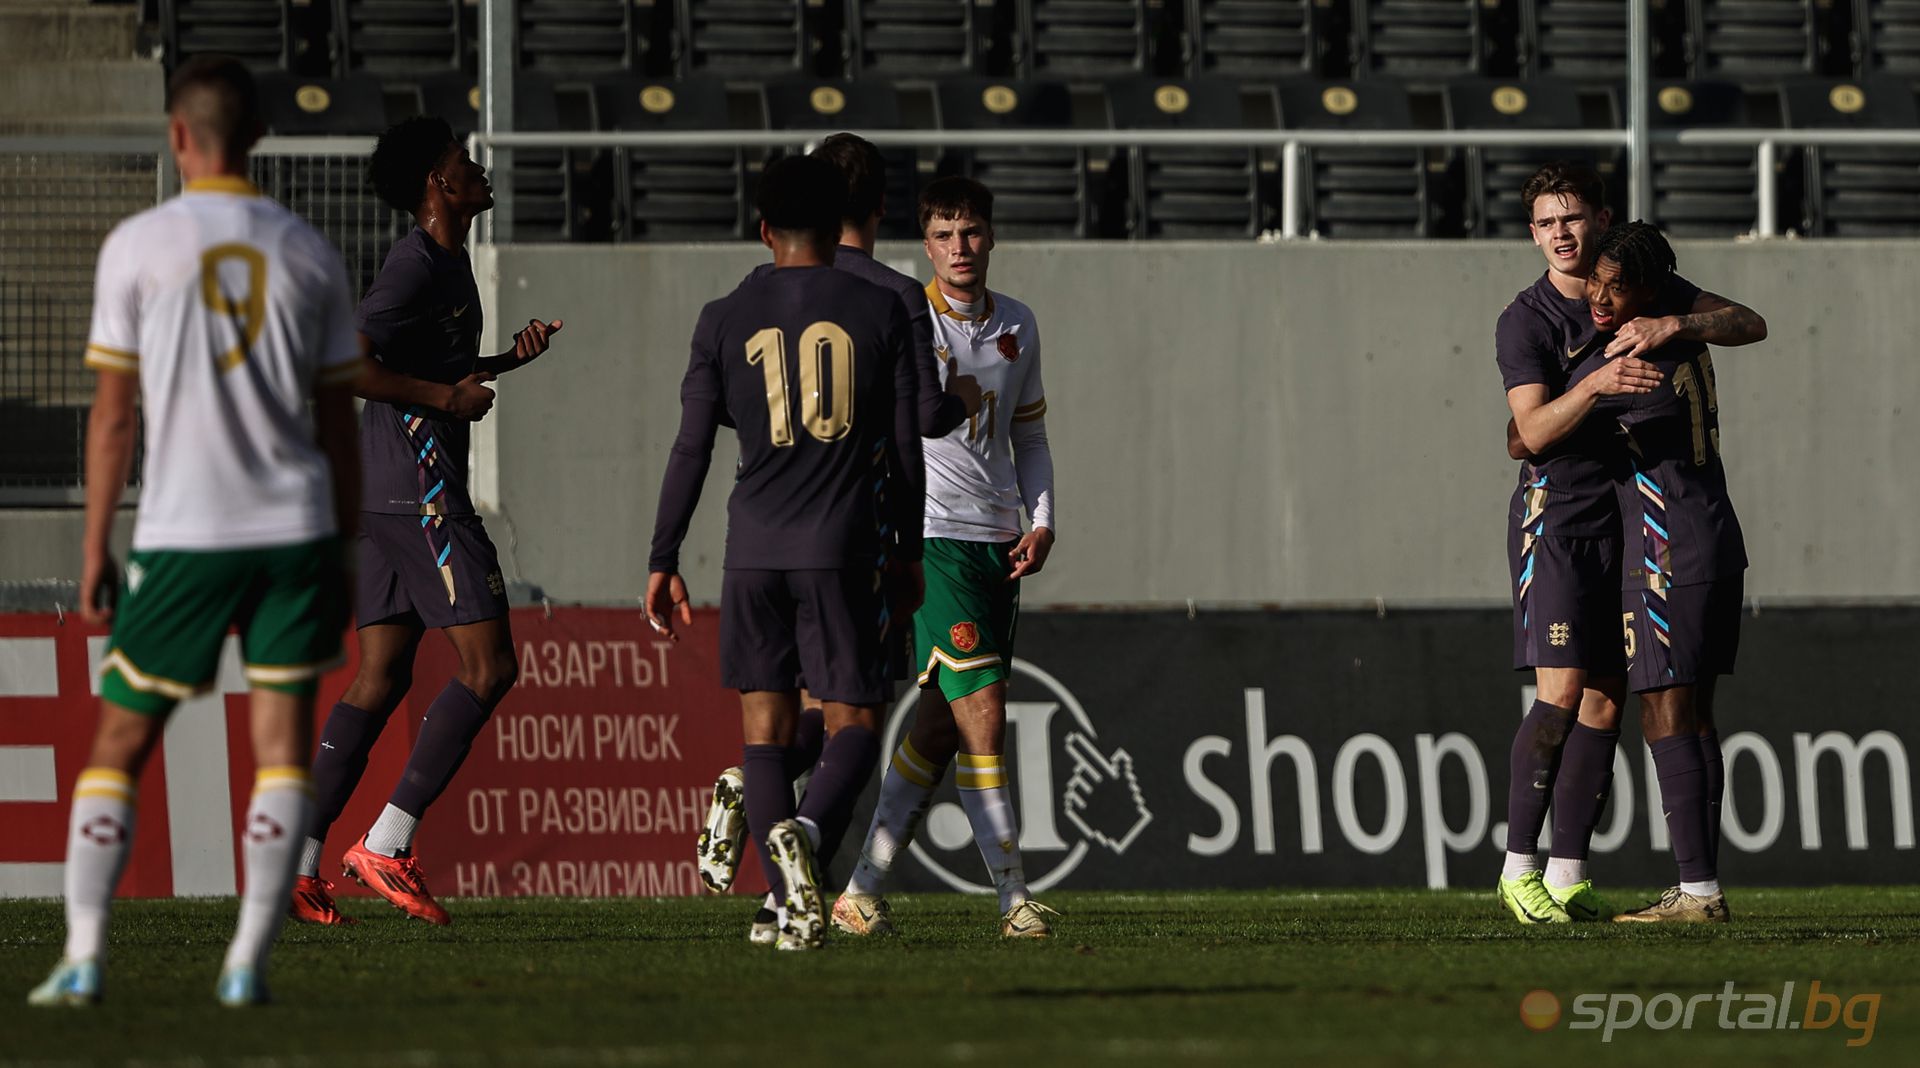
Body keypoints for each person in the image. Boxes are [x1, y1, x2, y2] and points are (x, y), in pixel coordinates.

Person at [29, 55, 362, 1007]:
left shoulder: (138, 245)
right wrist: (339, 550)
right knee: (281, 750)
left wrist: (95, 545)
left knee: (119, 744)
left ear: (178, 135)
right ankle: (246, 963)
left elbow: (112, 417)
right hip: (293, 528)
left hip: (185, 531)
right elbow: (340, 428)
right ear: (256, 136)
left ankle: (86, 953)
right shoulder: (308, 249)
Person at [694, 132, 981, 945]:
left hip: (762, 534)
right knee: (858, 711)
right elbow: (919, 421)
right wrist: (963, 393)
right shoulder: (891, 296)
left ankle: (771, 853)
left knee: (803, 714)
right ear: (883, 208)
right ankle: (797, 857)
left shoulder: (759, 287)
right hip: (860, 530)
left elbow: (714, 416)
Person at [288, 116, 563, 928]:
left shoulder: (450, 262)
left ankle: (299, 865)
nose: (479, 170)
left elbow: (429, 364)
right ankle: (386, 842)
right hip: (420, 492)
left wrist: (507, 360)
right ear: (439, 186)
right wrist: (446, 400)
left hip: (382, 492)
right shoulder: (414, 266)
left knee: (381, 678)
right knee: (489, 668)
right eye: (462, 163)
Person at [647, 154, 924, 950]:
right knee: (857, 724)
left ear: (762, 229)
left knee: (764, 733)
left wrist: (663, 557)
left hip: (751, 551)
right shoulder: (878, 310)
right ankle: (802, 835)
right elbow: (906, 449)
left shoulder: (721, 317)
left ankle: (779, 907)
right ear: (839, 230)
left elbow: (691, 450)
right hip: (843, 548)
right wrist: (907, 549)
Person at [1495, 163, 1765, 925]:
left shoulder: (1647, 295)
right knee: (1565, 692)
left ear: (1601, 221)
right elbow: (1527, 435)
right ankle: (1520, 869)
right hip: (1562, 523)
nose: (1561, 234)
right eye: (1547, 222)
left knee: (1618, 701)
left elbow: (1749, 321)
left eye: (1573, 217)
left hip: (1648, 532)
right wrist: (1591, 388)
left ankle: (1573, 873)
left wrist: (1676, 324)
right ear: (1532, 232)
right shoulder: (1528, 319)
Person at [831, 176, 1059, 939]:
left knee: (934, 728)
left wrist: (1044, 518)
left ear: (991, 237)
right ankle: (1013, 898)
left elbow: (1026, 434)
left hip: (1000, 544)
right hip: (933, 538)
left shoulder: (1019, 325)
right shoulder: (906, 316)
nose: (959, 247)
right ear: (923, 245)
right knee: (983, 718)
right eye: (944, 235)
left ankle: (860, 892)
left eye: (971, 232)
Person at [1566, 222, 1754, 923]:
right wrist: (1677, 317)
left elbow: (1531, 435)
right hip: (1710, 534)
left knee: (1666, 710)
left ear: (1648, 290)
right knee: (1696, 715)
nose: (1602, 297)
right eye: (1598, 281)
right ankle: (1702, 889)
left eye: (1619, 287)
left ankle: (1698, 891)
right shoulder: (1680, 324)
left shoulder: (1633, 358)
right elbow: (1748, 320)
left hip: (1667, 548)